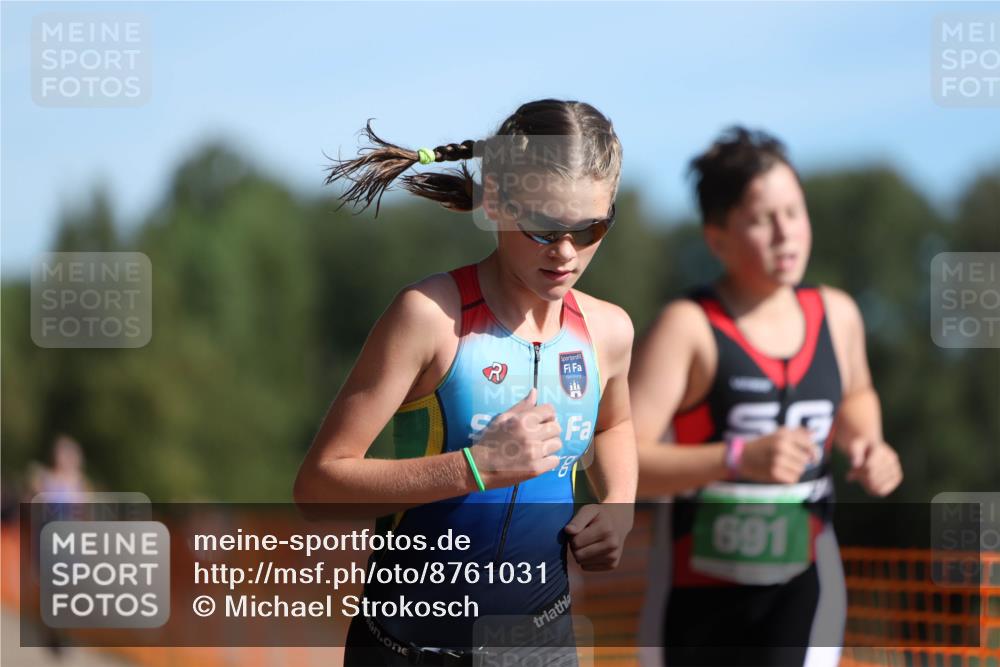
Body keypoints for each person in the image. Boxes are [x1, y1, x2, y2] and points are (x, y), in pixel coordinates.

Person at [294, 99, 637, 666]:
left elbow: (617, 423)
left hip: (541, 646)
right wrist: (474, 468)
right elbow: (318, 488)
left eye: (591, 227)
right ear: (497, 202)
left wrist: (620, 505)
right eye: (544, 226)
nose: (567, 252)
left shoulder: (608, 330)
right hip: (409, 646)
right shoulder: (430, 317)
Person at [630, 127, 903, 667]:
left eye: (795, 212)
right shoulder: (688, 327)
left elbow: (855, 395)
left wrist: (869, 443)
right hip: (696, 594)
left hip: (806, 582)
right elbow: (620, 462)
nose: (786, 234)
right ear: (717, 238)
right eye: (761, 220)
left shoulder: (838, 313)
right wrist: (736, 460)